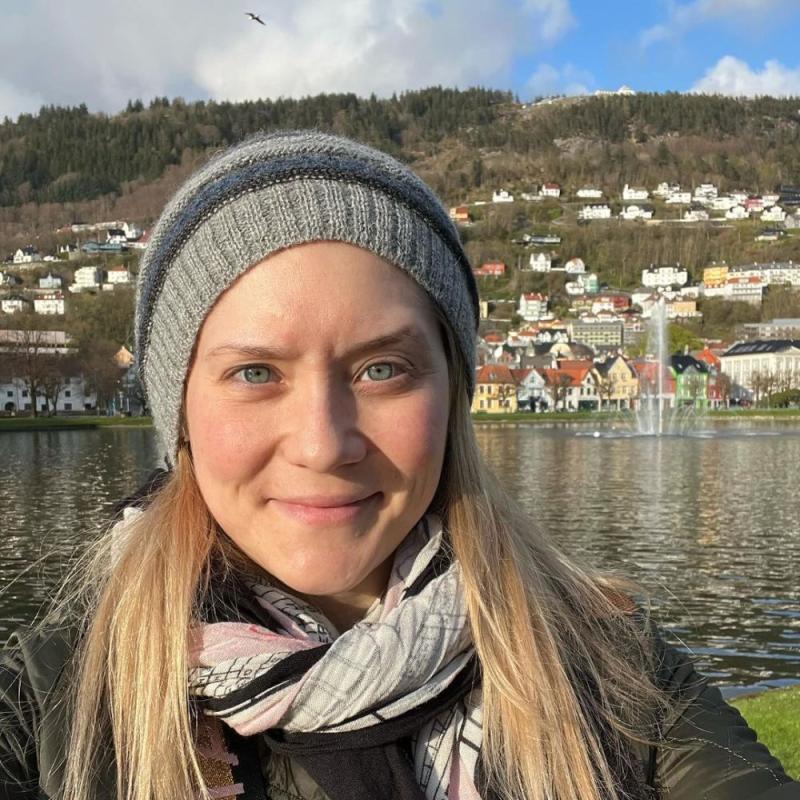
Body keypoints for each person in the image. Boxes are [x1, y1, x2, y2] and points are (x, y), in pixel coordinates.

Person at [1, 131, 798, 800]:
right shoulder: (50, 700)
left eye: (382, 369)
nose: (323, 444)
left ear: (453, 395)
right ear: (179, 414)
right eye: (255, 373)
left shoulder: (611, 665)